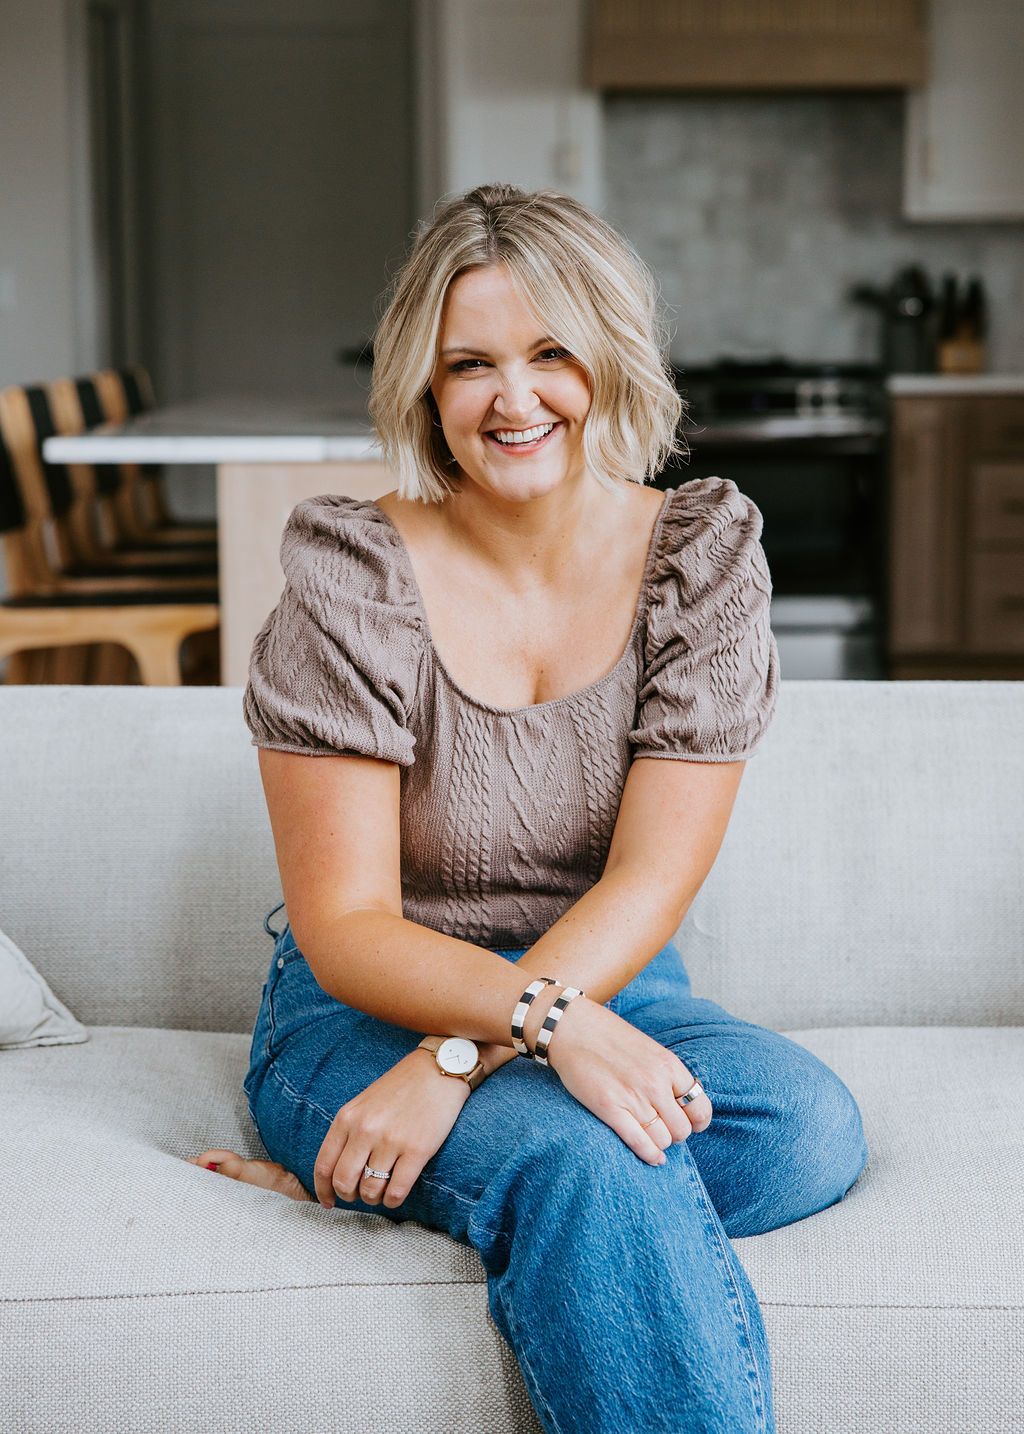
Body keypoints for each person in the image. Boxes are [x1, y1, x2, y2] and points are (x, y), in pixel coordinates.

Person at [187, 182, 868, 1434]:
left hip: (599, 996)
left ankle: (393, 1174)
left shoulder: (698, 554)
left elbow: (647, 885)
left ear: (610, 356)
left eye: (553, 351)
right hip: (363, 1015)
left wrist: (469, 1063)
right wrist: (489, 1038)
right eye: (471, 365)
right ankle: (457, 1161)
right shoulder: (354, 573)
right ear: (424, 388)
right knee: (588, 1164)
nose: (515, 399)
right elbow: (342, 924)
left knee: (803, 1130)